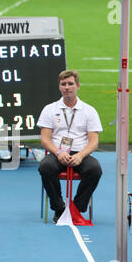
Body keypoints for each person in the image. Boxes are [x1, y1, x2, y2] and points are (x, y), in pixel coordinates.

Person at [37, 70, 103, 223]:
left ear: (78, 86)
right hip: (57, 153)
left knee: (95, 170)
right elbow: (45, 140)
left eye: (70, 84)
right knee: (45, 167)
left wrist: (80, 155)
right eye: (63, 84)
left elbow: (94, 142)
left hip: (81, 153)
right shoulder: (49, 109)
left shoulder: (89, 111)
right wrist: (59, 152)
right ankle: (59, 208)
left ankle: (76, 208)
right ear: (59, 87)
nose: (67, 87)